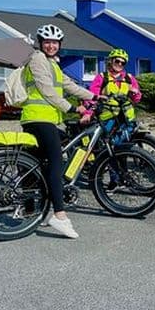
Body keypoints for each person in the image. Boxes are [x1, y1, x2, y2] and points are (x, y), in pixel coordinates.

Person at [21, 24, 97, 239]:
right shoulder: (37, 60)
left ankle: (31, 209)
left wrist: (94, 97)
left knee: (36, 164)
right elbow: (47, 92)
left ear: (59, 45)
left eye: (55, 42)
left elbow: (69, 85)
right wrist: (73, 108)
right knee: (56, 162)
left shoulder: (52, 64)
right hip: (38, 119)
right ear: (40, 43)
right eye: (47, 41)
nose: (51, 45)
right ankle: (59, 215)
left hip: (47, 120)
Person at [85, 48, 142, 190]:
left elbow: (137, 98)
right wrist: (88, 111)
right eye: (117, 61)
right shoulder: (102, 77)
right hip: (108, 118)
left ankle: (124, 178)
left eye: (123, 63)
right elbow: (91, 96)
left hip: (126, 119)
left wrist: (135, 93)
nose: (119, 64)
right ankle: (115, 180)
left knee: (123, 149)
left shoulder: (129, 78)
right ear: (110, 61)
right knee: (111, 148)